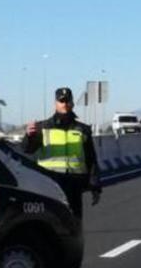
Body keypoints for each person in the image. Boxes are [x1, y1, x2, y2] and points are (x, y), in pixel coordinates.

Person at [22, 87, 102, 220]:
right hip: (50, 183)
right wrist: (29, 136)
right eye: (61, 101)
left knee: (74, 222)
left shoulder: (82, 129)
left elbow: (91, 159)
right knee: (51, 221)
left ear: (72, 103)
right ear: (56, 103)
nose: (64, 104)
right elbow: (27, 150)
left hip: (74, 184)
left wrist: (95, 186)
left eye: (67, 101)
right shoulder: (42, 128)